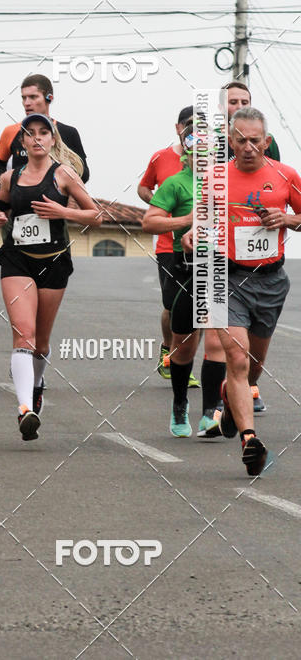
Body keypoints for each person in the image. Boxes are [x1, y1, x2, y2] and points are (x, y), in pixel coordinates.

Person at [0, 113, 104, 441]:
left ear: (53, 139)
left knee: (40, 342)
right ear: (23, 142)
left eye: (43, 133)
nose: (37, 138)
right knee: (23, 334)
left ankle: (36, 386)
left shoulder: (64, 174)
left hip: (53, 262)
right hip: (17, 261)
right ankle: (25, 409)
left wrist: (63, 212)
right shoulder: (10, 178)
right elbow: (0, 209)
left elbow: (96, 214)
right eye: (30, 134)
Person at [201, 107, 301, 475]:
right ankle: (250, 439)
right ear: (230, 141)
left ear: (267, 142)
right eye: (240, 139)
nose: (247, 147)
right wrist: (195, 235)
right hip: (226, 279)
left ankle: (231, 398)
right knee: (238, 360)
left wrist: (289, 218)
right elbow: (202, 222)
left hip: (271, 281)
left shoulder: (286, 175)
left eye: (254, 140)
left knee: (253, 368)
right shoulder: (214, 178)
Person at [142, 124, 226, 438]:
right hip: (185, 267)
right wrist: (187, 221)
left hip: (220, 266)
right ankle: (179, 403)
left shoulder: (225, 184)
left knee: (217, 342)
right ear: (186, 156)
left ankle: (209, 412)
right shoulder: (175, 184)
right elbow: (149, 222)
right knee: (184, 348)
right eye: (195, 152)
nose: (202, 158)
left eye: (209, 153)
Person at [220, 80, 281, 411]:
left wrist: (282, 218)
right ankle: (226, 400)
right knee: (225, 345)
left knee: (250, 359)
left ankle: (240, 387)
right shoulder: (208, 150)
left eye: (243, 100)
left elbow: (282, 196)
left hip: (267, 274)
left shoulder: (272, 156)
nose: (248, 146)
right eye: (232, 101)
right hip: (222, 267)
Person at [138, 105, 201, 389]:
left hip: (205, 249)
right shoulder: (161, 157)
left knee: (200, 312)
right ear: (179, 128)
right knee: (172, 306)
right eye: (189, 124)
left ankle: (184, 361)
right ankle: (169, 348)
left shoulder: (214, 162)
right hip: (168, 245)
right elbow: (143, 187)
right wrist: (161, 206)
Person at [0, 74, 89, 184]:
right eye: (24, 98)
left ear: (49, 98)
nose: (27, 103)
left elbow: (84, 173)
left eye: (33, 97)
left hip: (55, 200)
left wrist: (62, 189)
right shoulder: (11, 131)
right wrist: (9, 183)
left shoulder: (68, 132)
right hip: (20, 198)